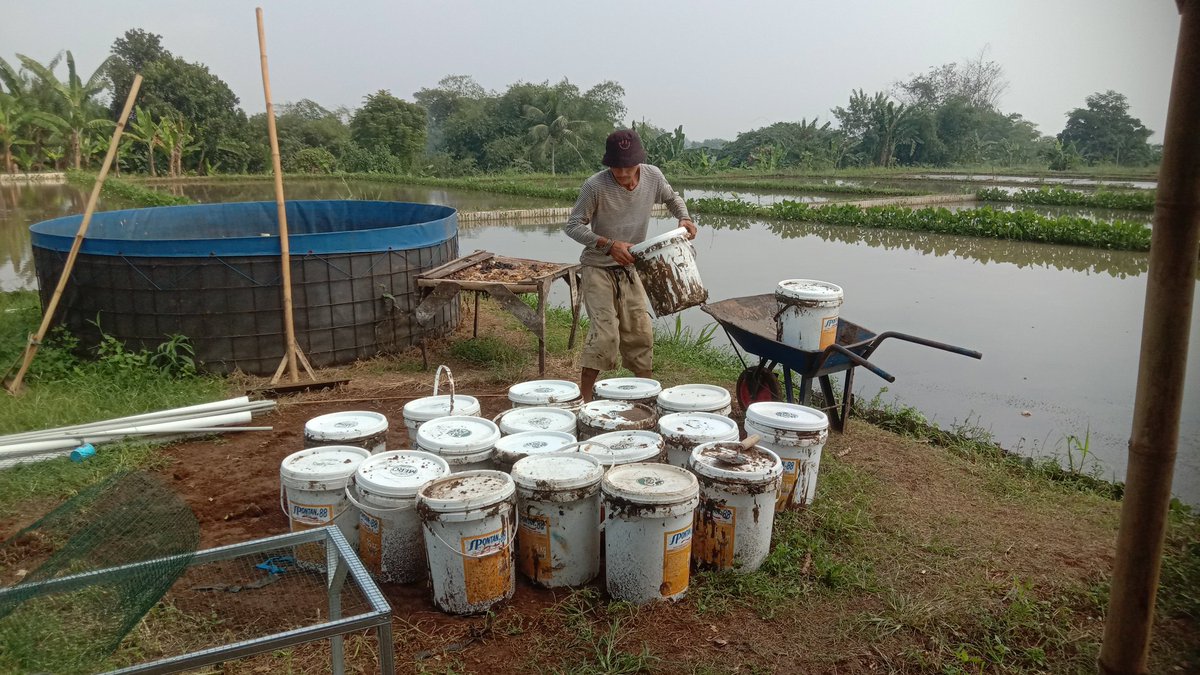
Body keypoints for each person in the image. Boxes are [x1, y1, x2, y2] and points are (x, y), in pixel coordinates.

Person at [563, 129, 697, 401]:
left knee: (640, 334)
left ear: (639, 162)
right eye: (616, 167)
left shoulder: (653, 176)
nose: (623, 173)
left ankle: (645, 398)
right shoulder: (595, 186)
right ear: (607, 163)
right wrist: (608, 244)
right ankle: (585, 401)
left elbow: (673, 198)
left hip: (631, 267)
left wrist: (684, 218)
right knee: (604, 336)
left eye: (628, 167)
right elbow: (573, 226)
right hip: (598, 267)